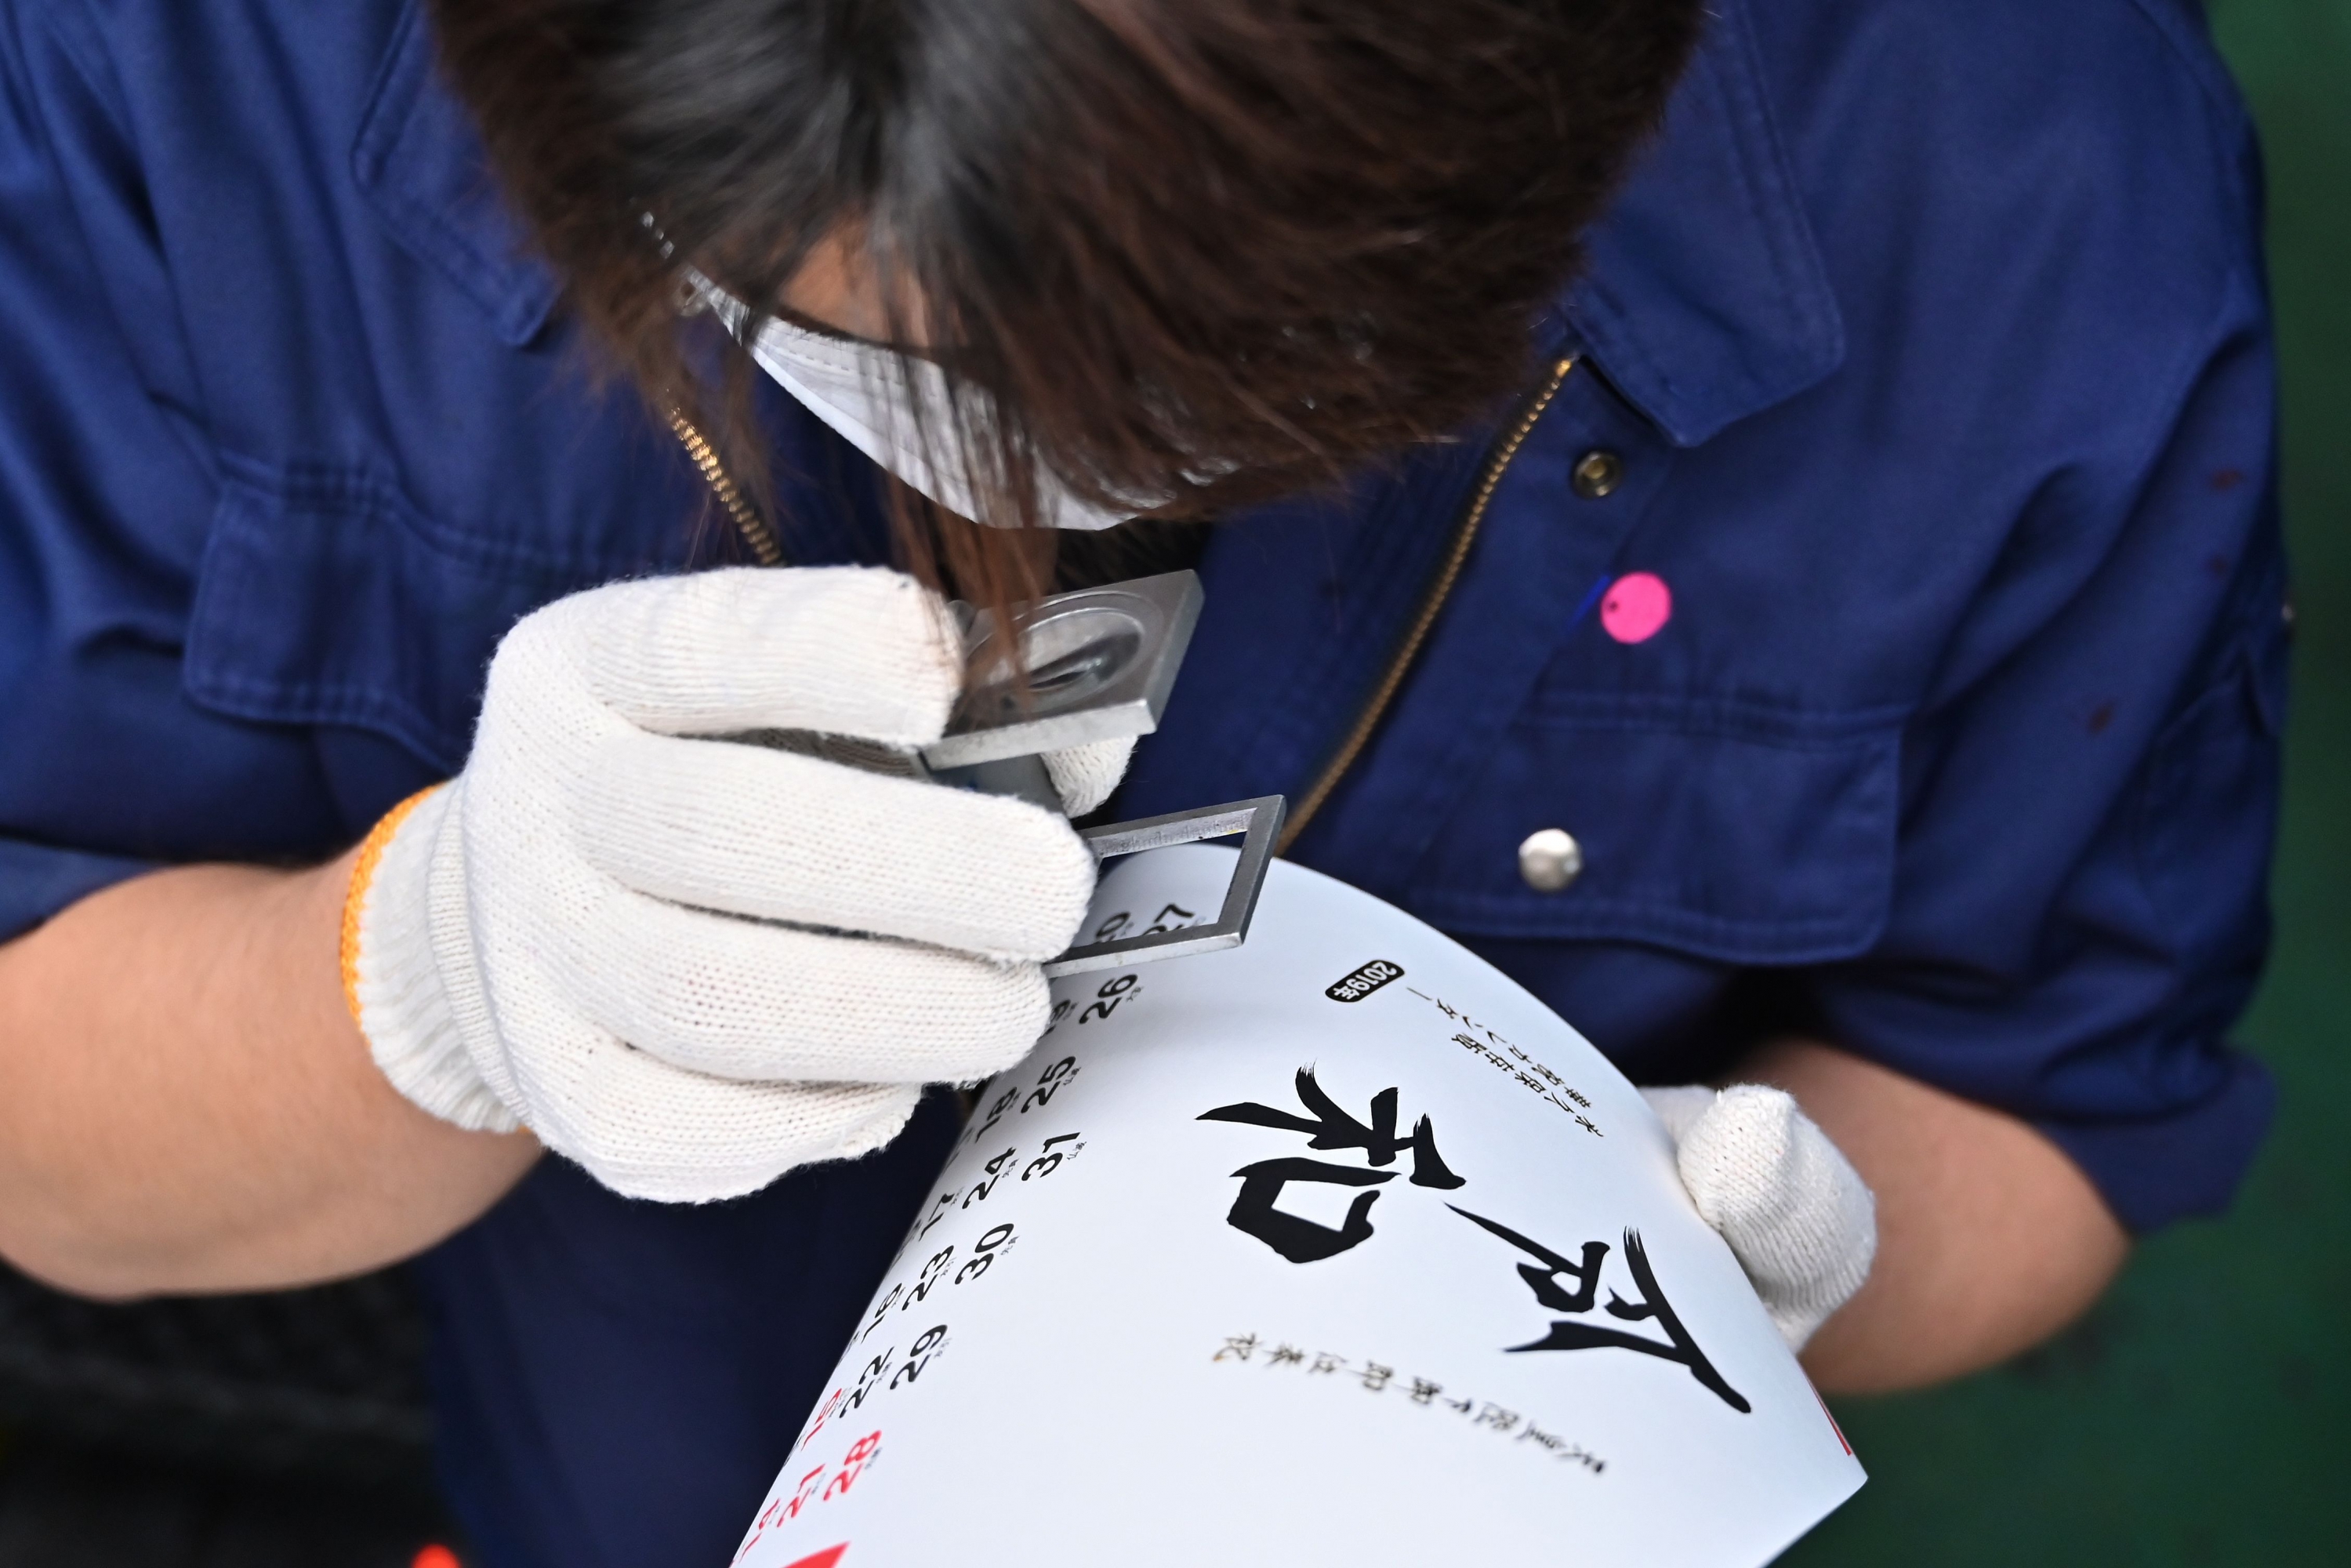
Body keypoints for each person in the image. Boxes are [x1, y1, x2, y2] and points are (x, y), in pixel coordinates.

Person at [0, 0, 2282, 1562]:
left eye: (1207, 374)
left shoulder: (2026, 180)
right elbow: (52, 1133)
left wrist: (1750, 1297)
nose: (1013, 468)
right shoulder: (199, 80)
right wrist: (442, 971)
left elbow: (2050, 1091)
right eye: (867, 343)